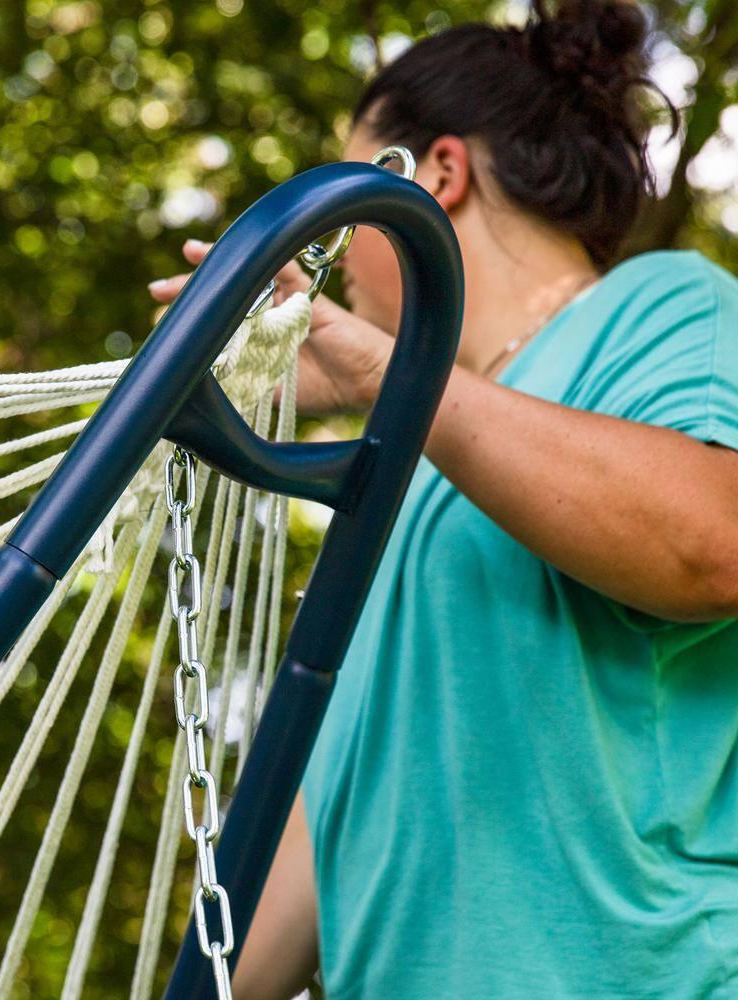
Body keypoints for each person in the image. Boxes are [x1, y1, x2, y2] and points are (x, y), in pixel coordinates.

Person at [148, 0, 738, 996]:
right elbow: (337, 822)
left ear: (436, 175)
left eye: (347, 200)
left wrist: (392, 375)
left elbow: (712, 540)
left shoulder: (663, 303)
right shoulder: (420, 475)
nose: (335, 257)